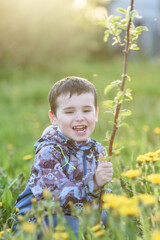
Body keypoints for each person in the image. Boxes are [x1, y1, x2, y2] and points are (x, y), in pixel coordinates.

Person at [14, 76, 113, 236]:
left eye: (86, 110)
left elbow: (97, 193)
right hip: (40, 217)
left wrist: (110, 198)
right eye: (69, 112)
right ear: (54, 118)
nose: (80, 117)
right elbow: (55, 197)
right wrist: (94, 183)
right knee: (74, 227)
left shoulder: (96, 149)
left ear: (96, 113)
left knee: (113, 215)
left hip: (76, 212)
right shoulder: (49, 151)